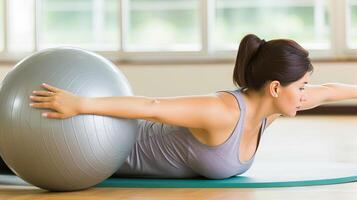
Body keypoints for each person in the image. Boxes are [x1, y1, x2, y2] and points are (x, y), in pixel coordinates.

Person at [24, 34, 357, 179]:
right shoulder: (223, 112)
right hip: (94, 145)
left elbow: (328, 91)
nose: (305, 94)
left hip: (97, 152)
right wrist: (79, 103)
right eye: (301, 87)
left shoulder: (270, 109)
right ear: (274, 87)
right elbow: (151, 106)